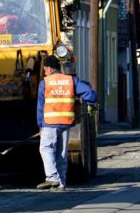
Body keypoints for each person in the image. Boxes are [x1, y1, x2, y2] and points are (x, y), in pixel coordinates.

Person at [36, 55, 97, 190]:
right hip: (65, 122)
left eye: (45, 69)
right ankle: (61, 183)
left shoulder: (45, 83)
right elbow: (88, 92)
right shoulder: (70, 80)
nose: (45, 71)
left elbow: (40, 106)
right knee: (61, 153)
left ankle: (52, 178)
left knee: (46, 149)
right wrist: (91, 103)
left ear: (49, 68)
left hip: (50, 123)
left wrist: (40, 124)